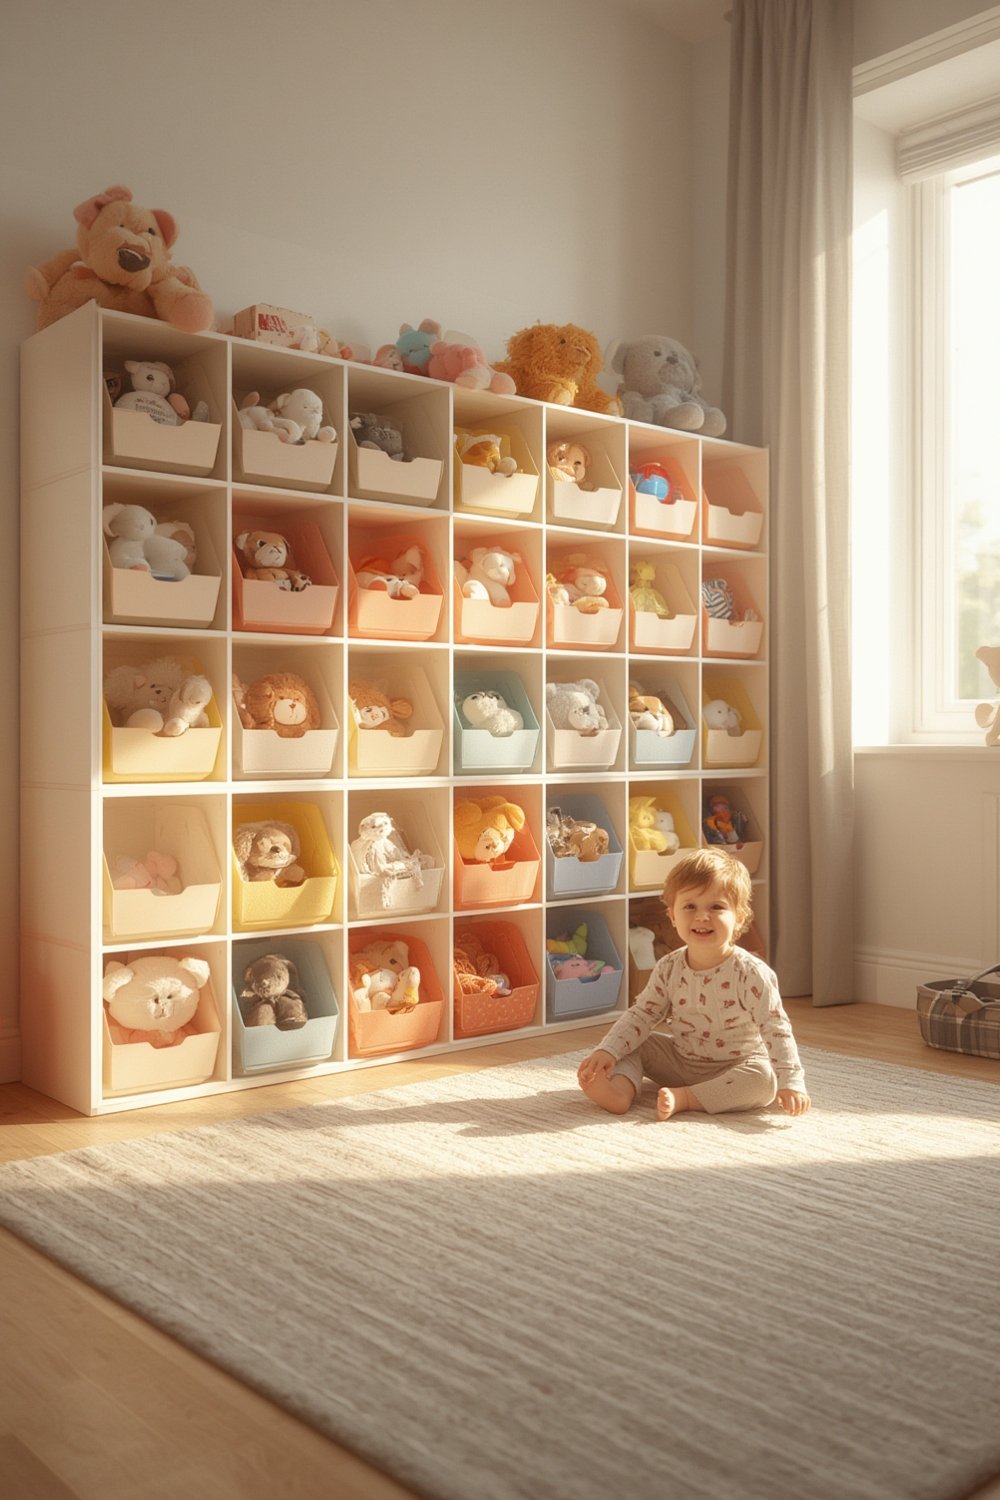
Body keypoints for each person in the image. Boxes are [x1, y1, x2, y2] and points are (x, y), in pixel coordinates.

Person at [577, 848, 810, 1120]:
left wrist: (791, 1081)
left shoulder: (751, 972)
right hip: (680, 1060)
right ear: (672, 915)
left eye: (716, 907)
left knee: (763, 1080)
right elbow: (642, 1014)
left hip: (736, 1066)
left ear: (740, 917)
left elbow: (775, 1027)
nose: (702, 917)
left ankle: (688, 1098)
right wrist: (608, 1049)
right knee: (635, 1043)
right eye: (690, 906)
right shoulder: (668, 967)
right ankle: (619, 1091)